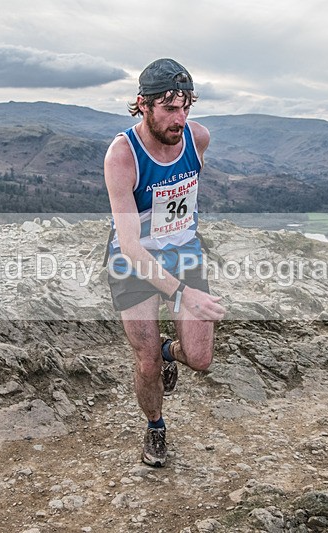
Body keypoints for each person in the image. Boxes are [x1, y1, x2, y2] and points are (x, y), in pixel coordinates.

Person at [104, 58, 226, 467]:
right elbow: (131, 247)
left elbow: (186, 196)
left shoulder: (198, 138)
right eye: (170, 108)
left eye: (186, 106)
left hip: (184, 252)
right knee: (146, 360)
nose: (181, 118)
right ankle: (156, 427)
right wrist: (182, 292)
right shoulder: (123, 155)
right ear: (143, 104)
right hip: (133, 258)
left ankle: (171, 352)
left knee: (202, 359)